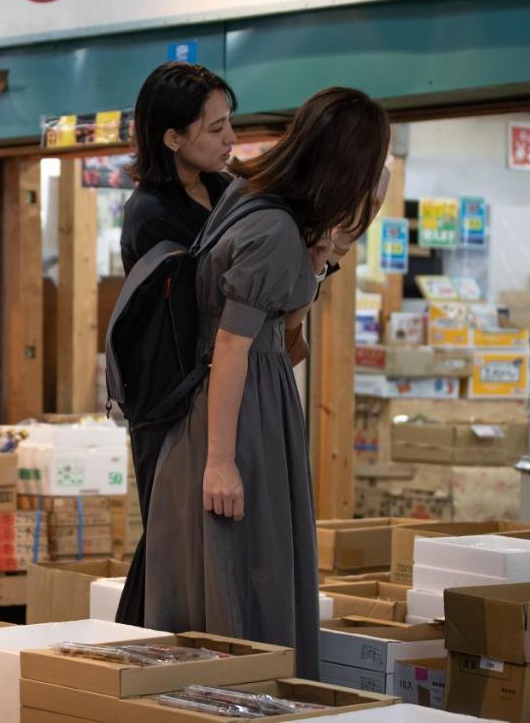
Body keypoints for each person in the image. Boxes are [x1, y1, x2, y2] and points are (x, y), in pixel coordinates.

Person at [143, 87, 391, 679]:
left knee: (237, 565)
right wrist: (222, 462)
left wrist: (323, 255)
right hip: (238, 411)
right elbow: (234, 346)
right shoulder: (273, 229)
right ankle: (243, 695)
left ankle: (227, 692)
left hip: (236, 403)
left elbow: (281, 335)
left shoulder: (253, 201)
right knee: (246, 567)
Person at [116, 62, 239, 628]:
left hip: (218, 388)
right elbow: (201, 301)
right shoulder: (149, 214)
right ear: (172, 137)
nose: (230, 139)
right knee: (171, 536)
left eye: (229, 123)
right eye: (215, 129)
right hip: (170, 400)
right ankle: (137, 656)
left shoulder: (226, 189)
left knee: (207, 537)